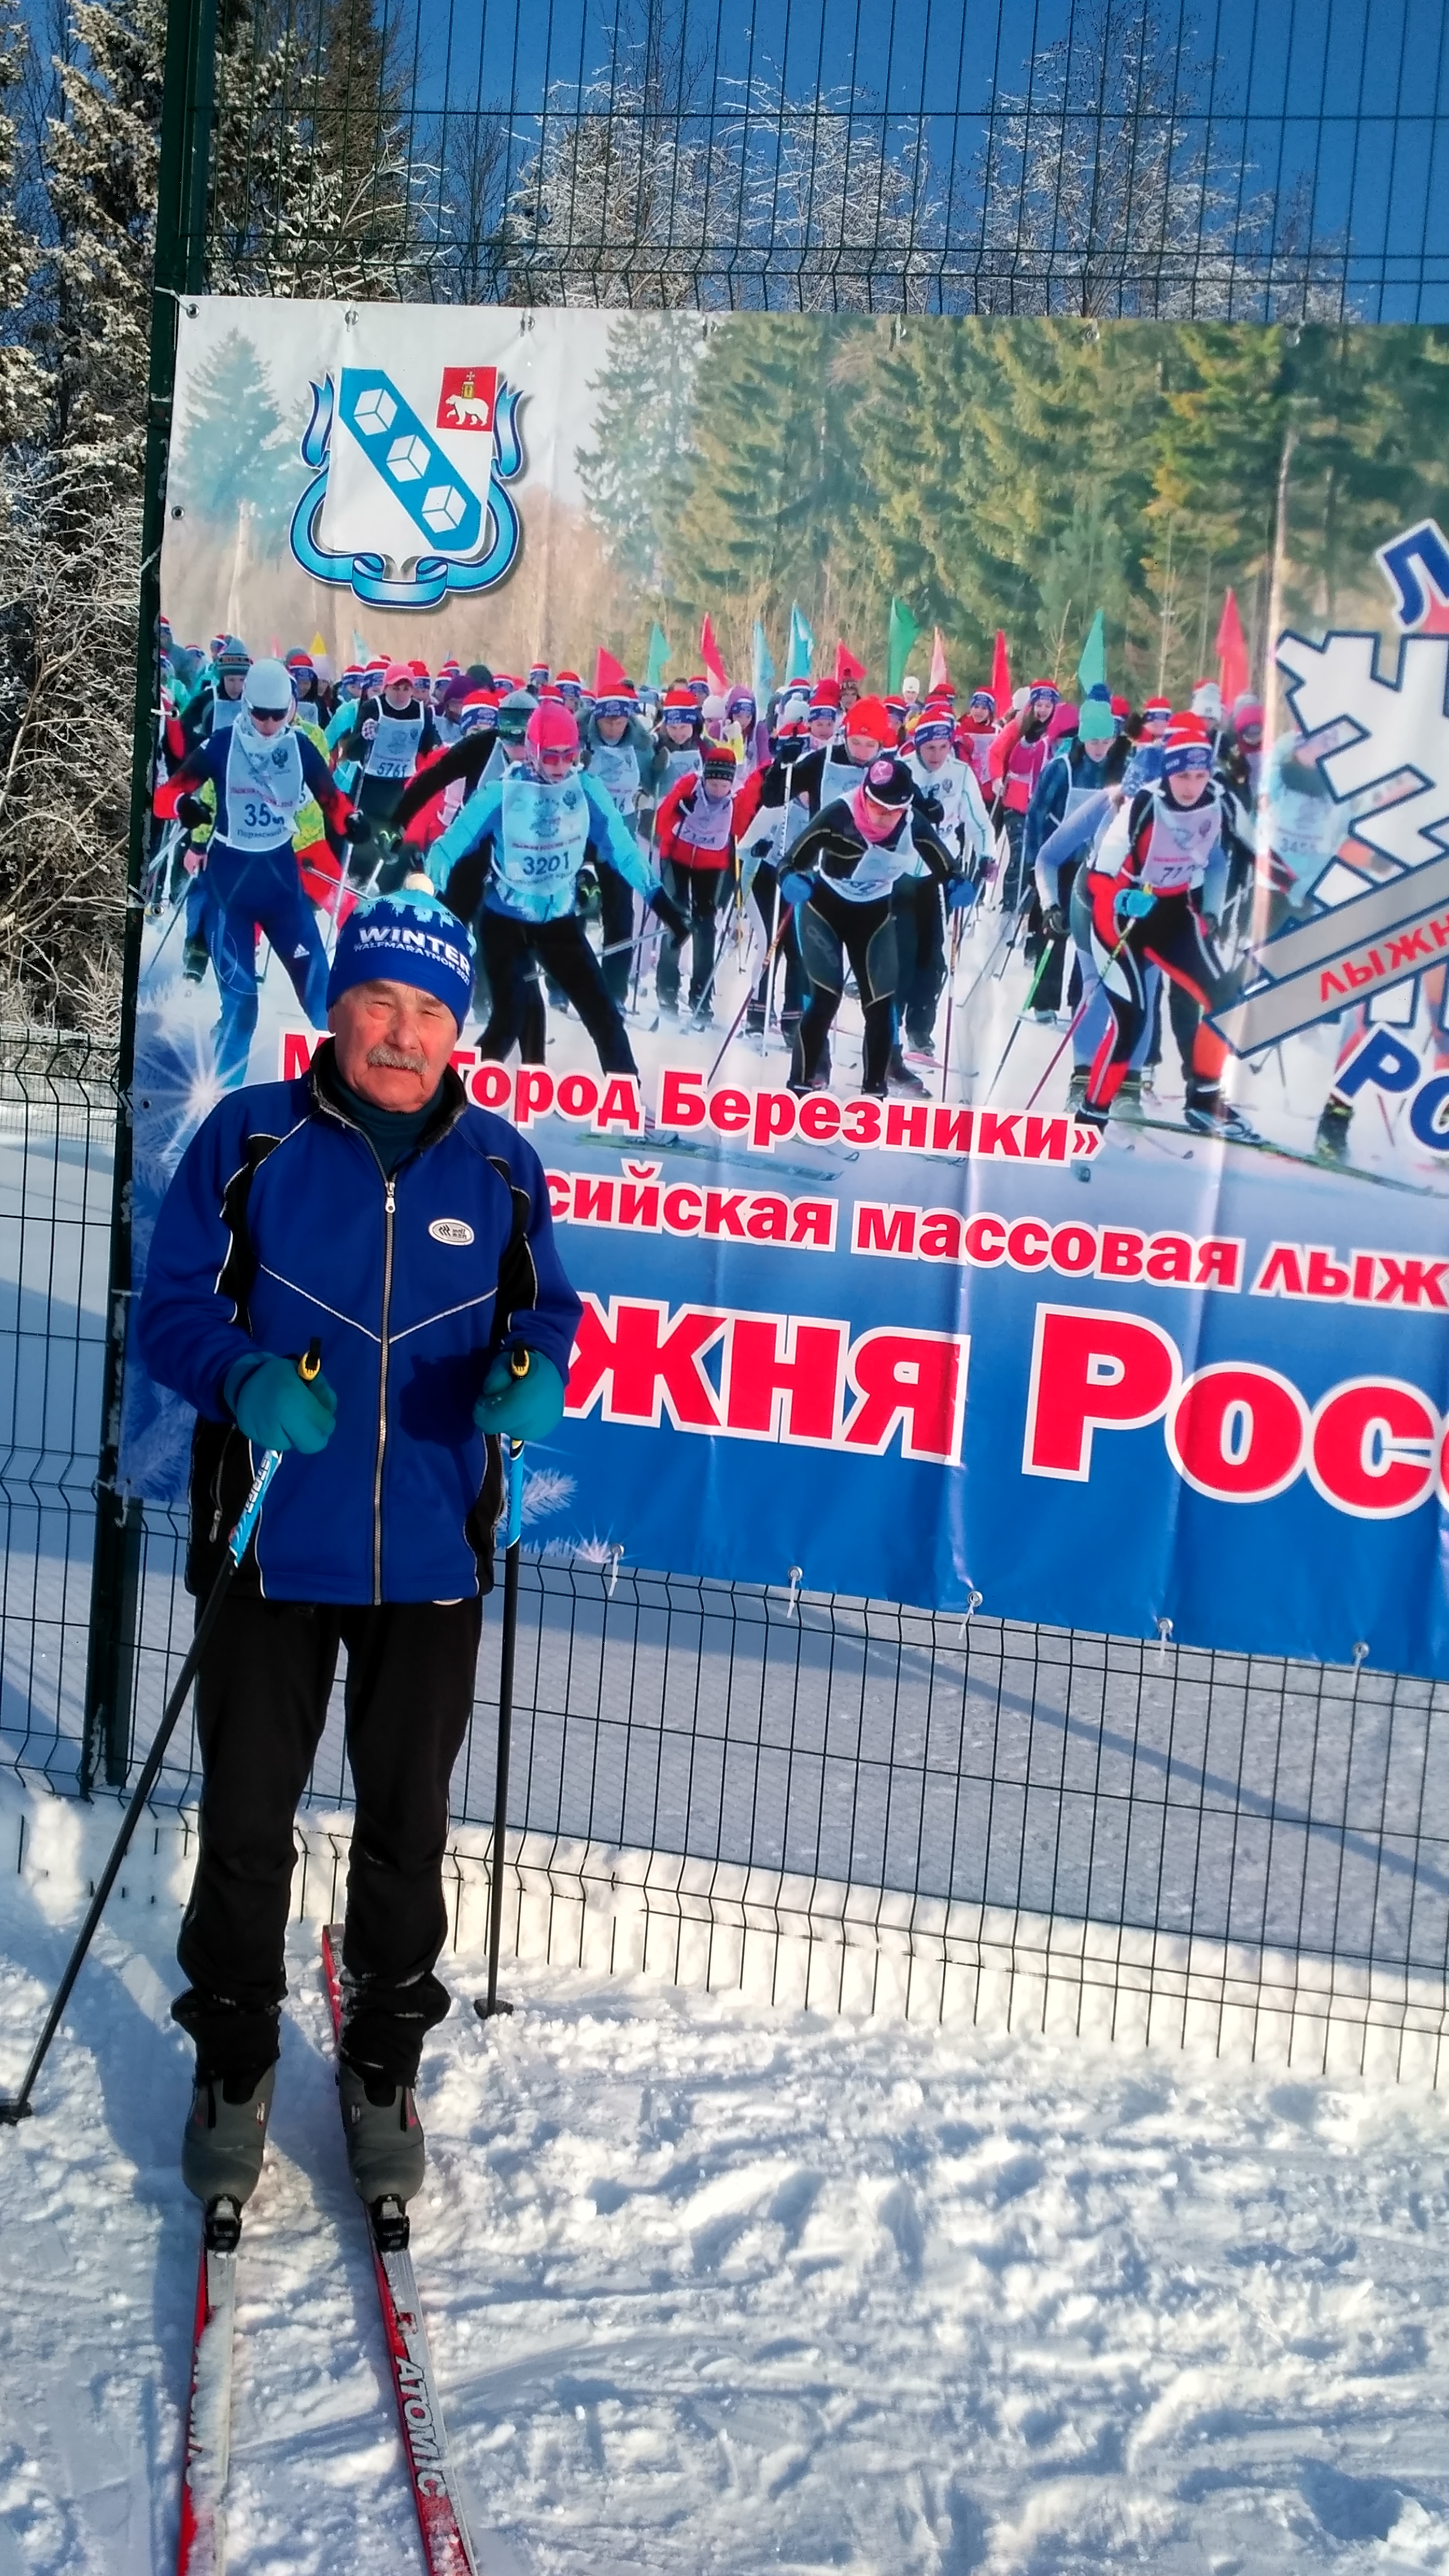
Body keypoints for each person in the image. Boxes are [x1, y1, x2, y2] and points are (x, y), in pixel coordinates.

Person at [135, 887, 583, 2230]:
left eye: (429, 1010)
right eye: (378, 1002)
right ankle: (232, 2060)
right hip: (273, 1541)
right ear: (335, 1010)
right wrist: (244, 1377)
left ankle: (384, 2061)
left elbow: (548, 1313)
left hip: (433, 1556)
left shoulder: (501, 1166)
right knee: (245, 1820)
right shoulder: (249, 1137)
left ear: (459, 1029)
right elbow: (171, 1310)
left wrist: (535, 1371)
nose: (401, 1032)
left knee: (408, 1829)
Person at [427, 698, 687, 1076]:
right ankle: (451, 1090)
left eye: (570, 755)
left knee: (603, 1015)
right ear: (532, 751)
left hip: (559, 922)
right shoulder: (500, 794)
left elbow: (625, 852)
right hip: (504, 922)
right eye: (551, 757)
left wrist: (664, 906)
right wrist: (431, 894)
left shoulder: (586, 790)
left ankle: (627, 1098)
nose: (561, 766)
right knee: (510, 1017)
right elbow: (446, 849)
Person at [154, 658, 365, 1086]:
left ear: (290, 708)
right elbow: (164, 797)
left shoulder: (300, 747)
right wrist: (184, 807)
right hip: (230, 892)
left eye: (277, 714)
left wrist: (352, 822)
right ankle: (223, 1100)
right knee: (242, 1007)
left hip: (282, 890)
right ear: (246, 706)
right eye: (260, 714)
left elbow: (332, 801)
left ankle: (355, 1092)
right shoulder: (221, 745)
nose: (268, 725)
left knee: (324, 1003)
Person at [1078, 715, 1255, 1139]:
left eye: (1200, 775)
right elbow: (1096, 879)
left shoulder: (1221, 800)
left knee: (1225, 998)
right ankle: (1091, 1116)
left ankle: (1204, 1098)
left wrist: (1213, 910)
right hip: (1120, 918)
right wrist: (1122, 898)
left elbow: (1246, 853)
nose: (1191, 786)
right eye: (1182, 776)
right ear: (1169, 773)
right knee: (1132, 1022)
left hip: (1173, 911)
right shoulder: (1144, 803)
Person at [778, 753, 969, 1096]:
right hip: (824, 910)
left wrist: (957, 882)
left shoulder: (912, 822)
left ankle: (874, 1093)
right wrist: (792, 879)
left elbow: (944, 863)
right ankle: (800, 1086)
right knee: (826, 998)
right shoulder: (838, 814)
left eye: (892, 812)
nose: (882, 817)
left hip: (874, 915)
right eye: (876, 807)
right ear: (864, 795)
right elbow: (791, 861)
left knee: (881, 1004)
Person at [653, 742, 739, 1027]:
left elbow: (744, 829)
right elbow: (661, 824)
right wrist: (677, 810)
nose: (718, 790)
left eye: (723, 785)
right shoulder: (689, 786)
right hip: (676, 857)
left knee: (705, 926)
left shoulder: (734, 802)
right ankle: (667, 987)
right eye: (713, 784)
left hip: (711, 865)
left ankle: (701, 994)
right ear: (705, 778)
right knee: (676, 919)